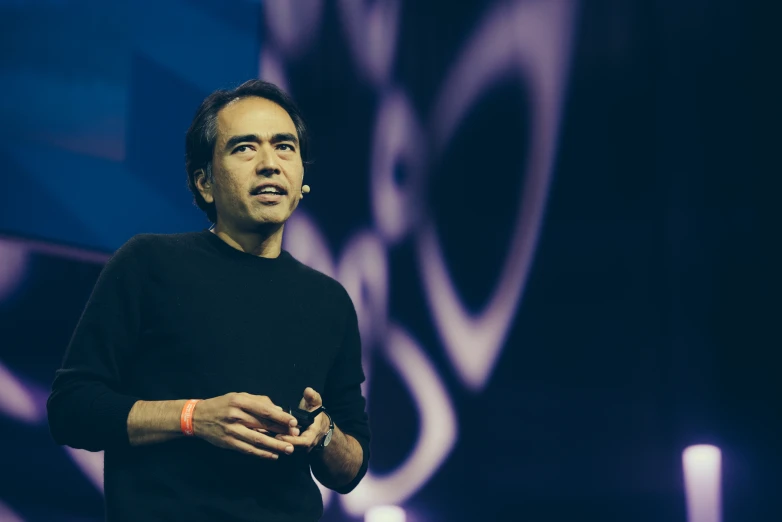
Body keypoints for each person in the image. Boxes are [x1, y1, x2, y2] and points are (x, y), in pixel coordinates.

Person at [46, 80, 370, 522]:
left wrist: (324, 433)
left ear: (301, 185)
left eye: (284, 147)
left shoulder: (330, 301)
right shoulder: (148, 264)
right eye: (244, 148)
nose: (270, 164)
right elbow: (71, 409)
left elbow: (352, 469)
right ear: (205, 183)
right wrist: (193, 417)